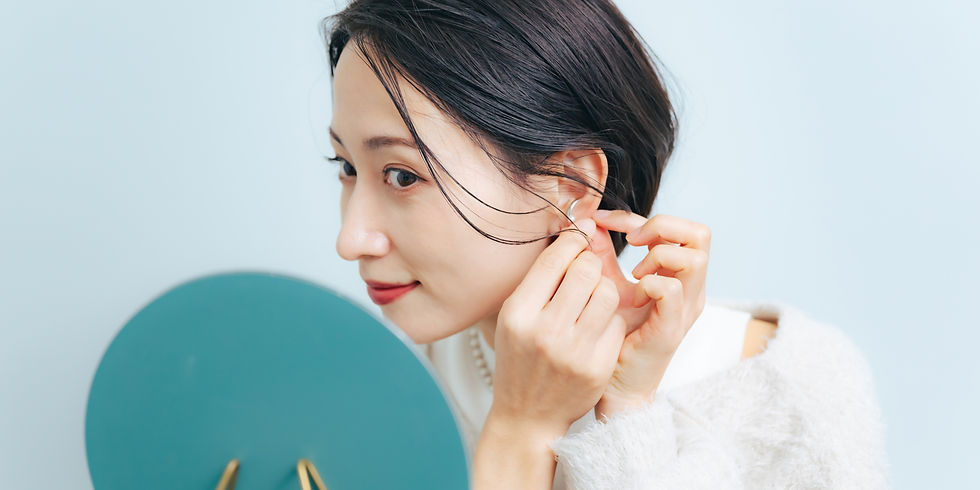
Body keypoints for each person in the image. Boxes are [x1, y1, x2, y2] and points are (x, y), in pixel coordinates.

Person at [320, 1, 889, 488]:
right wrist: (520, 431)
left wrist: (624, 417)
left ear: (571, 184)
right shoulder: (383, 396)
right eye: (346, 166)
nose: (351, 240)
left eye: (402, 175)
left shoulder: (791, 393)